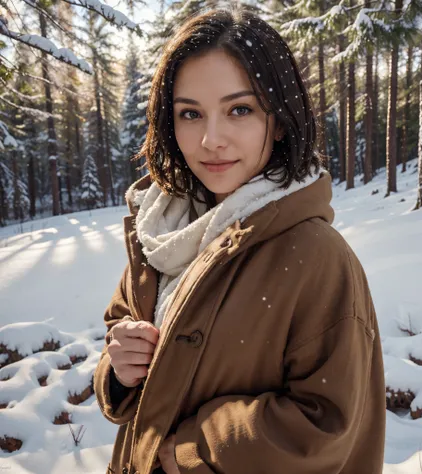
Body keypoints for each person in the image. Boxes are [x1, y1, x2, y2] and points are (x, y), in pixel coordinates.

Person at [93, 6, 386, 474]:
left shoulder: (317, 257)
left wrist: (193, 451)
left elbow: (326, 425)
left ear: (282, 119)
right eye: (191, 113)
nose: (211, 139)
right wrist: (118, 369)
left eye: (240, 109)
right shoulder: (162, 229)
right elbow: (119, 328)